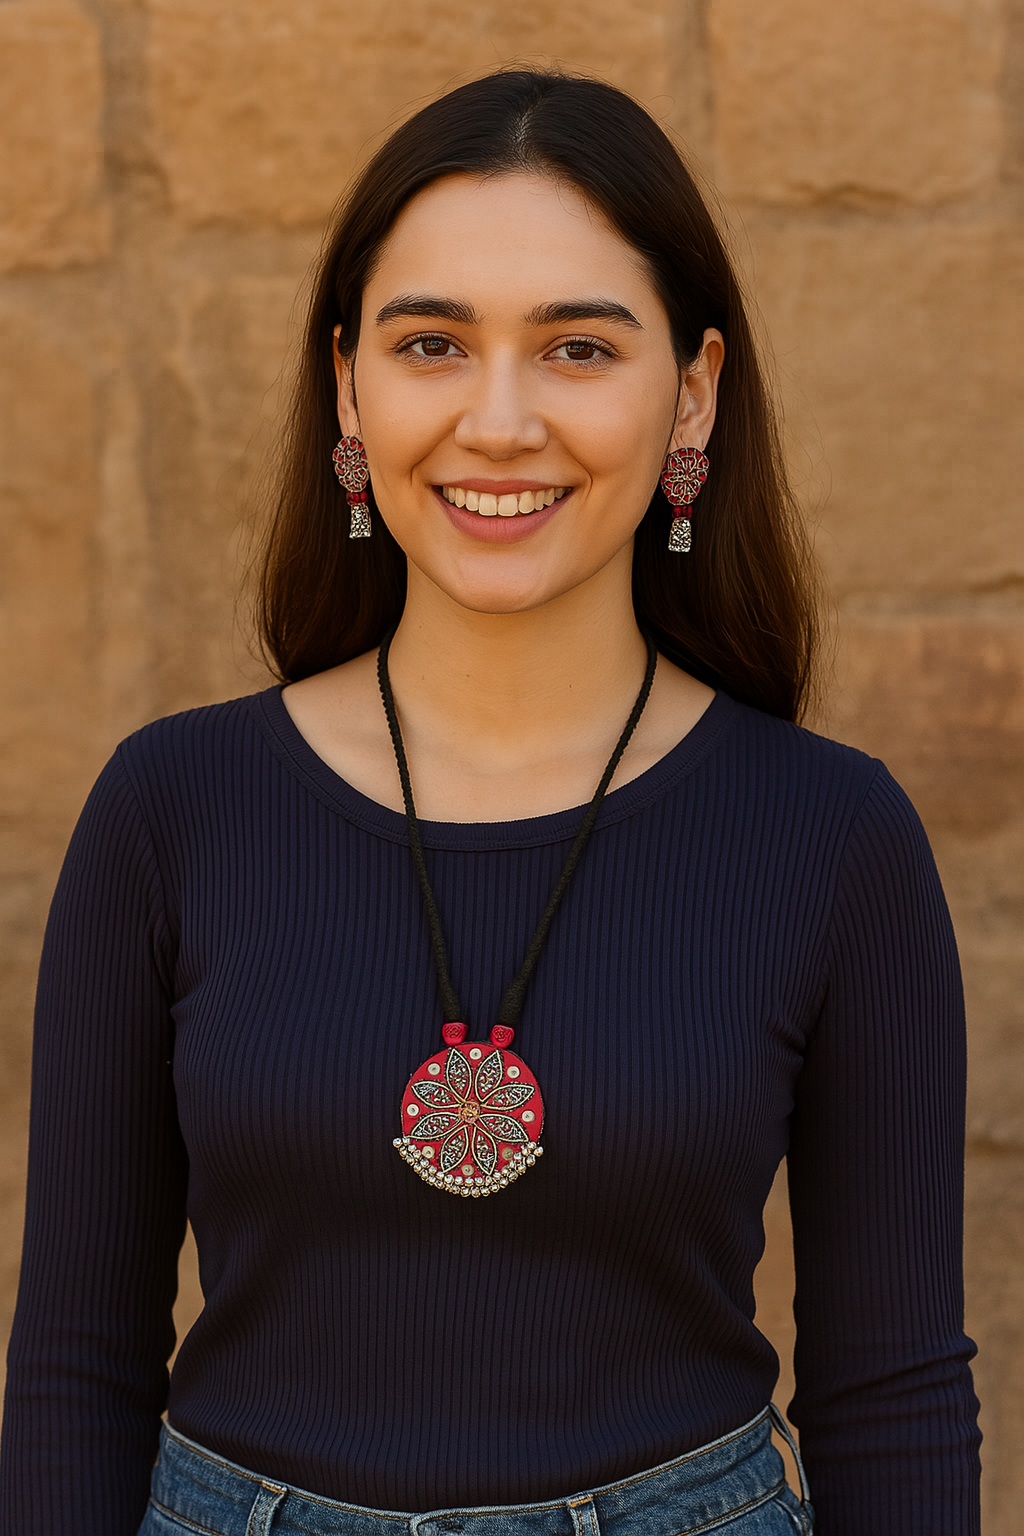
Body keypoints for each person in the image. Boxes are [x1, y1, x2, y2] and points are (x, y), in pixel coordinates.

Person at [0, 69, 980, 1536]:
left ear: (694, 390)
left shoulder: (833, 841)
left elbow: (890, 1390)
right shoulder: (170, 812)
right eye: (432, 345)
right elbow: (76, 1370)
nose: (500, 420)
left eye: (578, 347)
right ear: (349, 385)